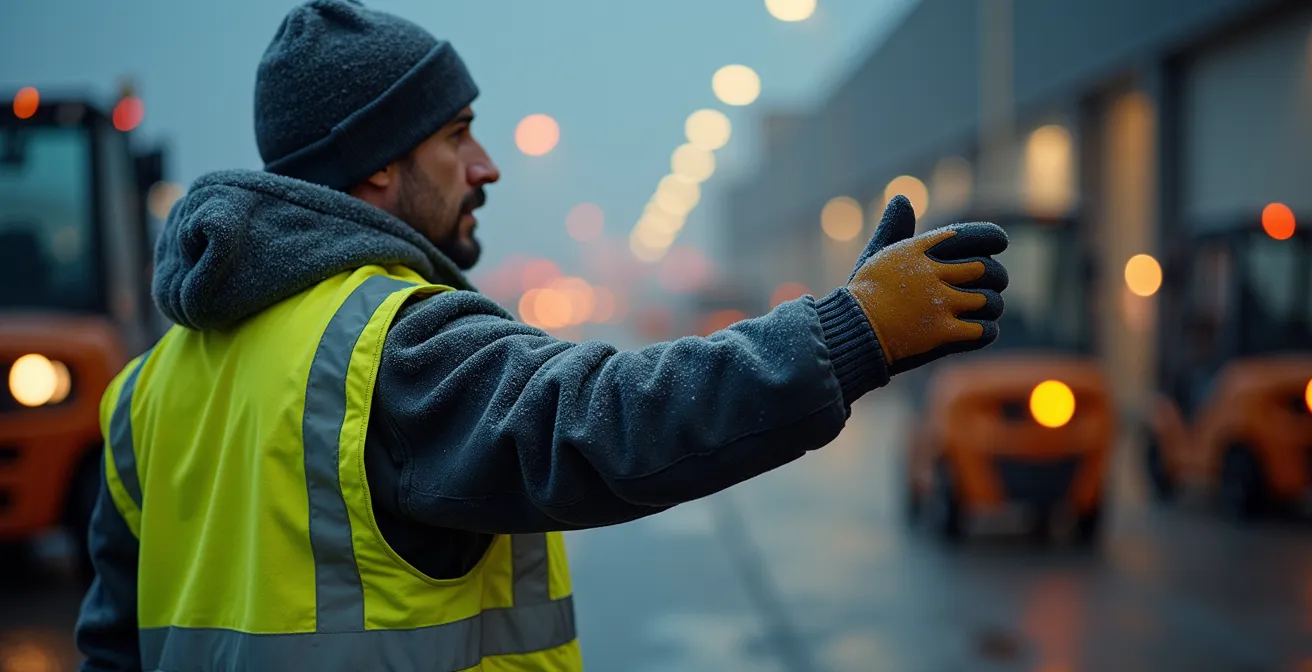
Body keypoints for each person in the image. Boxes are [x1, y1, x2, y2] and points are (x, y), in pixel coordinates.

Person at [74, 1, 1010, 669]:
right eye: (456, 136)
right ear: (375, 171)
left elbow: (114, 641)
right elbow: (604, 420)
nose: (484, 167)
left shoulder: (147, 389)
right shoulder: (387, 348)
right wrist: (851, 334)